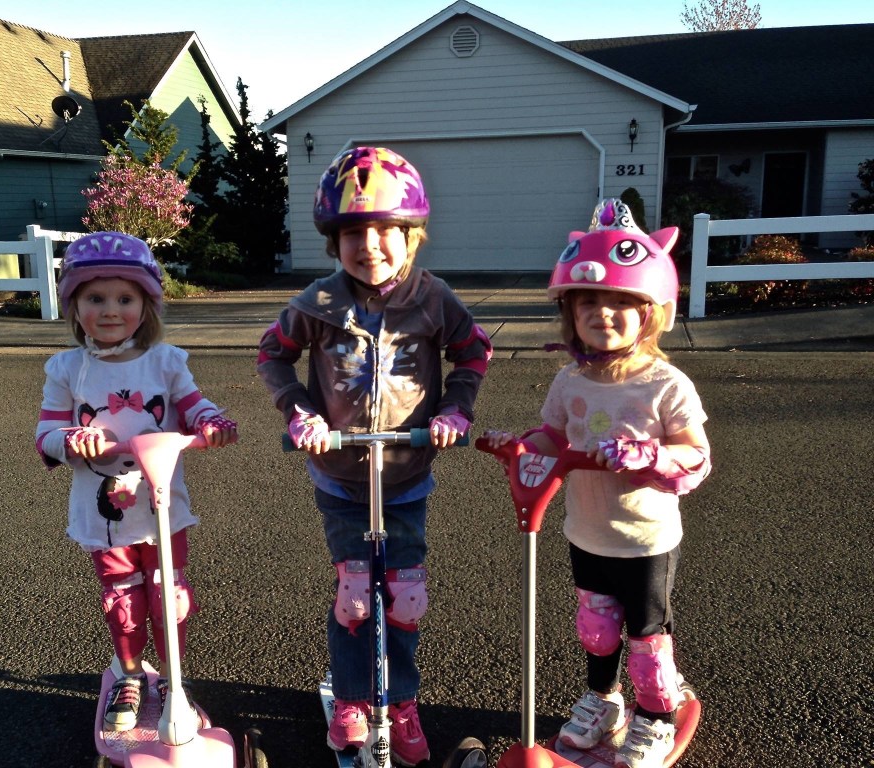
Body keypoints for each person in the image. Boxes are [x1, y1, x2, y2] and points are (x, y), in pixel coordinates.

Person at [257, 146, 492, 766]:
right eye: (353, 233)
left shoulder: (434, 299)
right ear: (334, 242)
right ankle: (353, 700)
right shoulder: (318, 303)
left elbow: (473, 352)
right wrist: (299, 411)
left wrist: (455, 410)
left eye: (386, 230)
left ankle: (403, 702)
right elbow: (272, 354)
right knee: (357, 597)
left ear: (412, 236)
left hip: (407, 477)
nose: (369, 246)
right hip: (340, 477)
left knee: (406, 600)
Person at [482, 199, 711, 768]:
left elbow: (697, 457)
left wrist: (649, 454)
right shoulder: (569, 380)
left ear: (650, 312)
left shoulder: (666, 385)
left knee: (646, 638)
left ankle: (656, 718)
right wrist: (518, 446)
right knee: (596, 626)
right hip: (586, 530)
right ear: (570, 311)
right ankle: (604, 701)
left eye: (620, 302)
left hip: (644, 538)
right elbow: (552, 436)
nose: (602, 312)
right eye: (587, 301)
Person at [35, 232, 237, 732]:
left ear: (146, 304)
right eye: (95, 298)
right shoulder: (67, 369)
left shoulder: (166, 361)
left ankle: (171, 678)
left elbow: (194, 405)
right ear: (74, 306)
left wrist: (211, 422)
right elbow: (45, 434)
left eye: (125, 298)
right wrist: (72, 439)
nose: (110, 310)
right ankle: (128, 673)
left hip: (163, 503)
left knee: (170, 594)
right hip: (103, 510)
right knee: (124, 600)